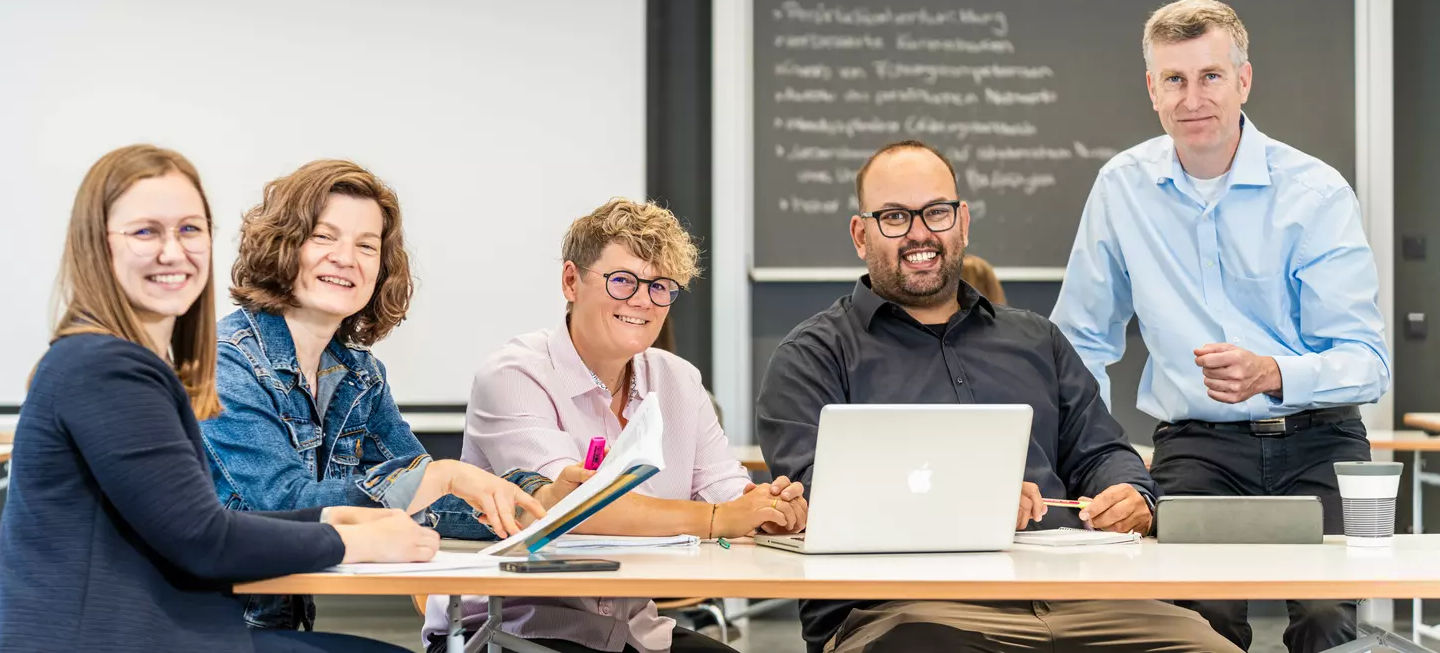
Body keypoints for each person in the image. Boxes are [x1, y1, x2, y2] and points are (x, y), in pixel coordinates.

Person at [757, 141, 1240, 653]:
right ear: (861, 234)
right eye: (895, 216)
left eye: (936, 212)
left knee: (1208, 648)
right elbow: (819, 503)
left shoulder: (1037, 340)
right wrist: (969, 505)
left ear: (962, 222)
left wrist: (1131, 496)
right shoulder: (811, 357)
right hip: (910, 612)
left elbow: (1102, 452)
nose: (920, 232)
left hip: (1082, 598)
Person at [0, 144, 440, 653]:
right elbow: (203, 540)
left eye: (190, 230)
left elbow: (193, 521)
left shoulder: (124, 361)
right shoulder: (105, 366)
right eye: (145, 232)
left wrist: (328, 518)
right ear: (97, 245)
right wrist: (349, 539)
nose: (173, 252)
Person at [1050, 0, 1390, 653]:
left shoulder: (1315, 193)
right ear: (1152, 89)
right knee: (1196, 621)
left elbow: (1367, 360)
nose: (1192, 97)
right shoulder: (1122, 188)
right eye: (1174, 79)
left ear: (1244, 81)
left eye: (1210, 76)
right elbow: (1082, 341)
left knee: (1327, 621)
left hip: (1319, 441)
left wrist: (1275, 372)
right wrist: (1091, 455)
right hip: (1199, 448)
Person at [424, 198, 809, 653]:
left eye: (661, 286)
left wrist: (768, 512)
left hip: (633, 632)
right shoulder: (514, 374)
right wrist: (719, 520)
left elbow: (725, 489)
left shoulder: (679, 381)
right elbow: (573, 511)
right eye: (623, 281)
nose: (644, 301)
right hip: (511, 629)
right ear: (571, 281)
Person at [199, 159, 556, 631]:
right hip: (209, 630)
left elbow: (426, 497)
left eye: (367, 246)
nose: (347, 258)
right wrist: (439, 476)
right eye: (324, 237)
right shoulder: (225, 362)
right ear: (282, 246)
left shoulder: (359, 373)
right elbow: (285, 506)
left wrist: (540, 501)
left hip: (278, 628)